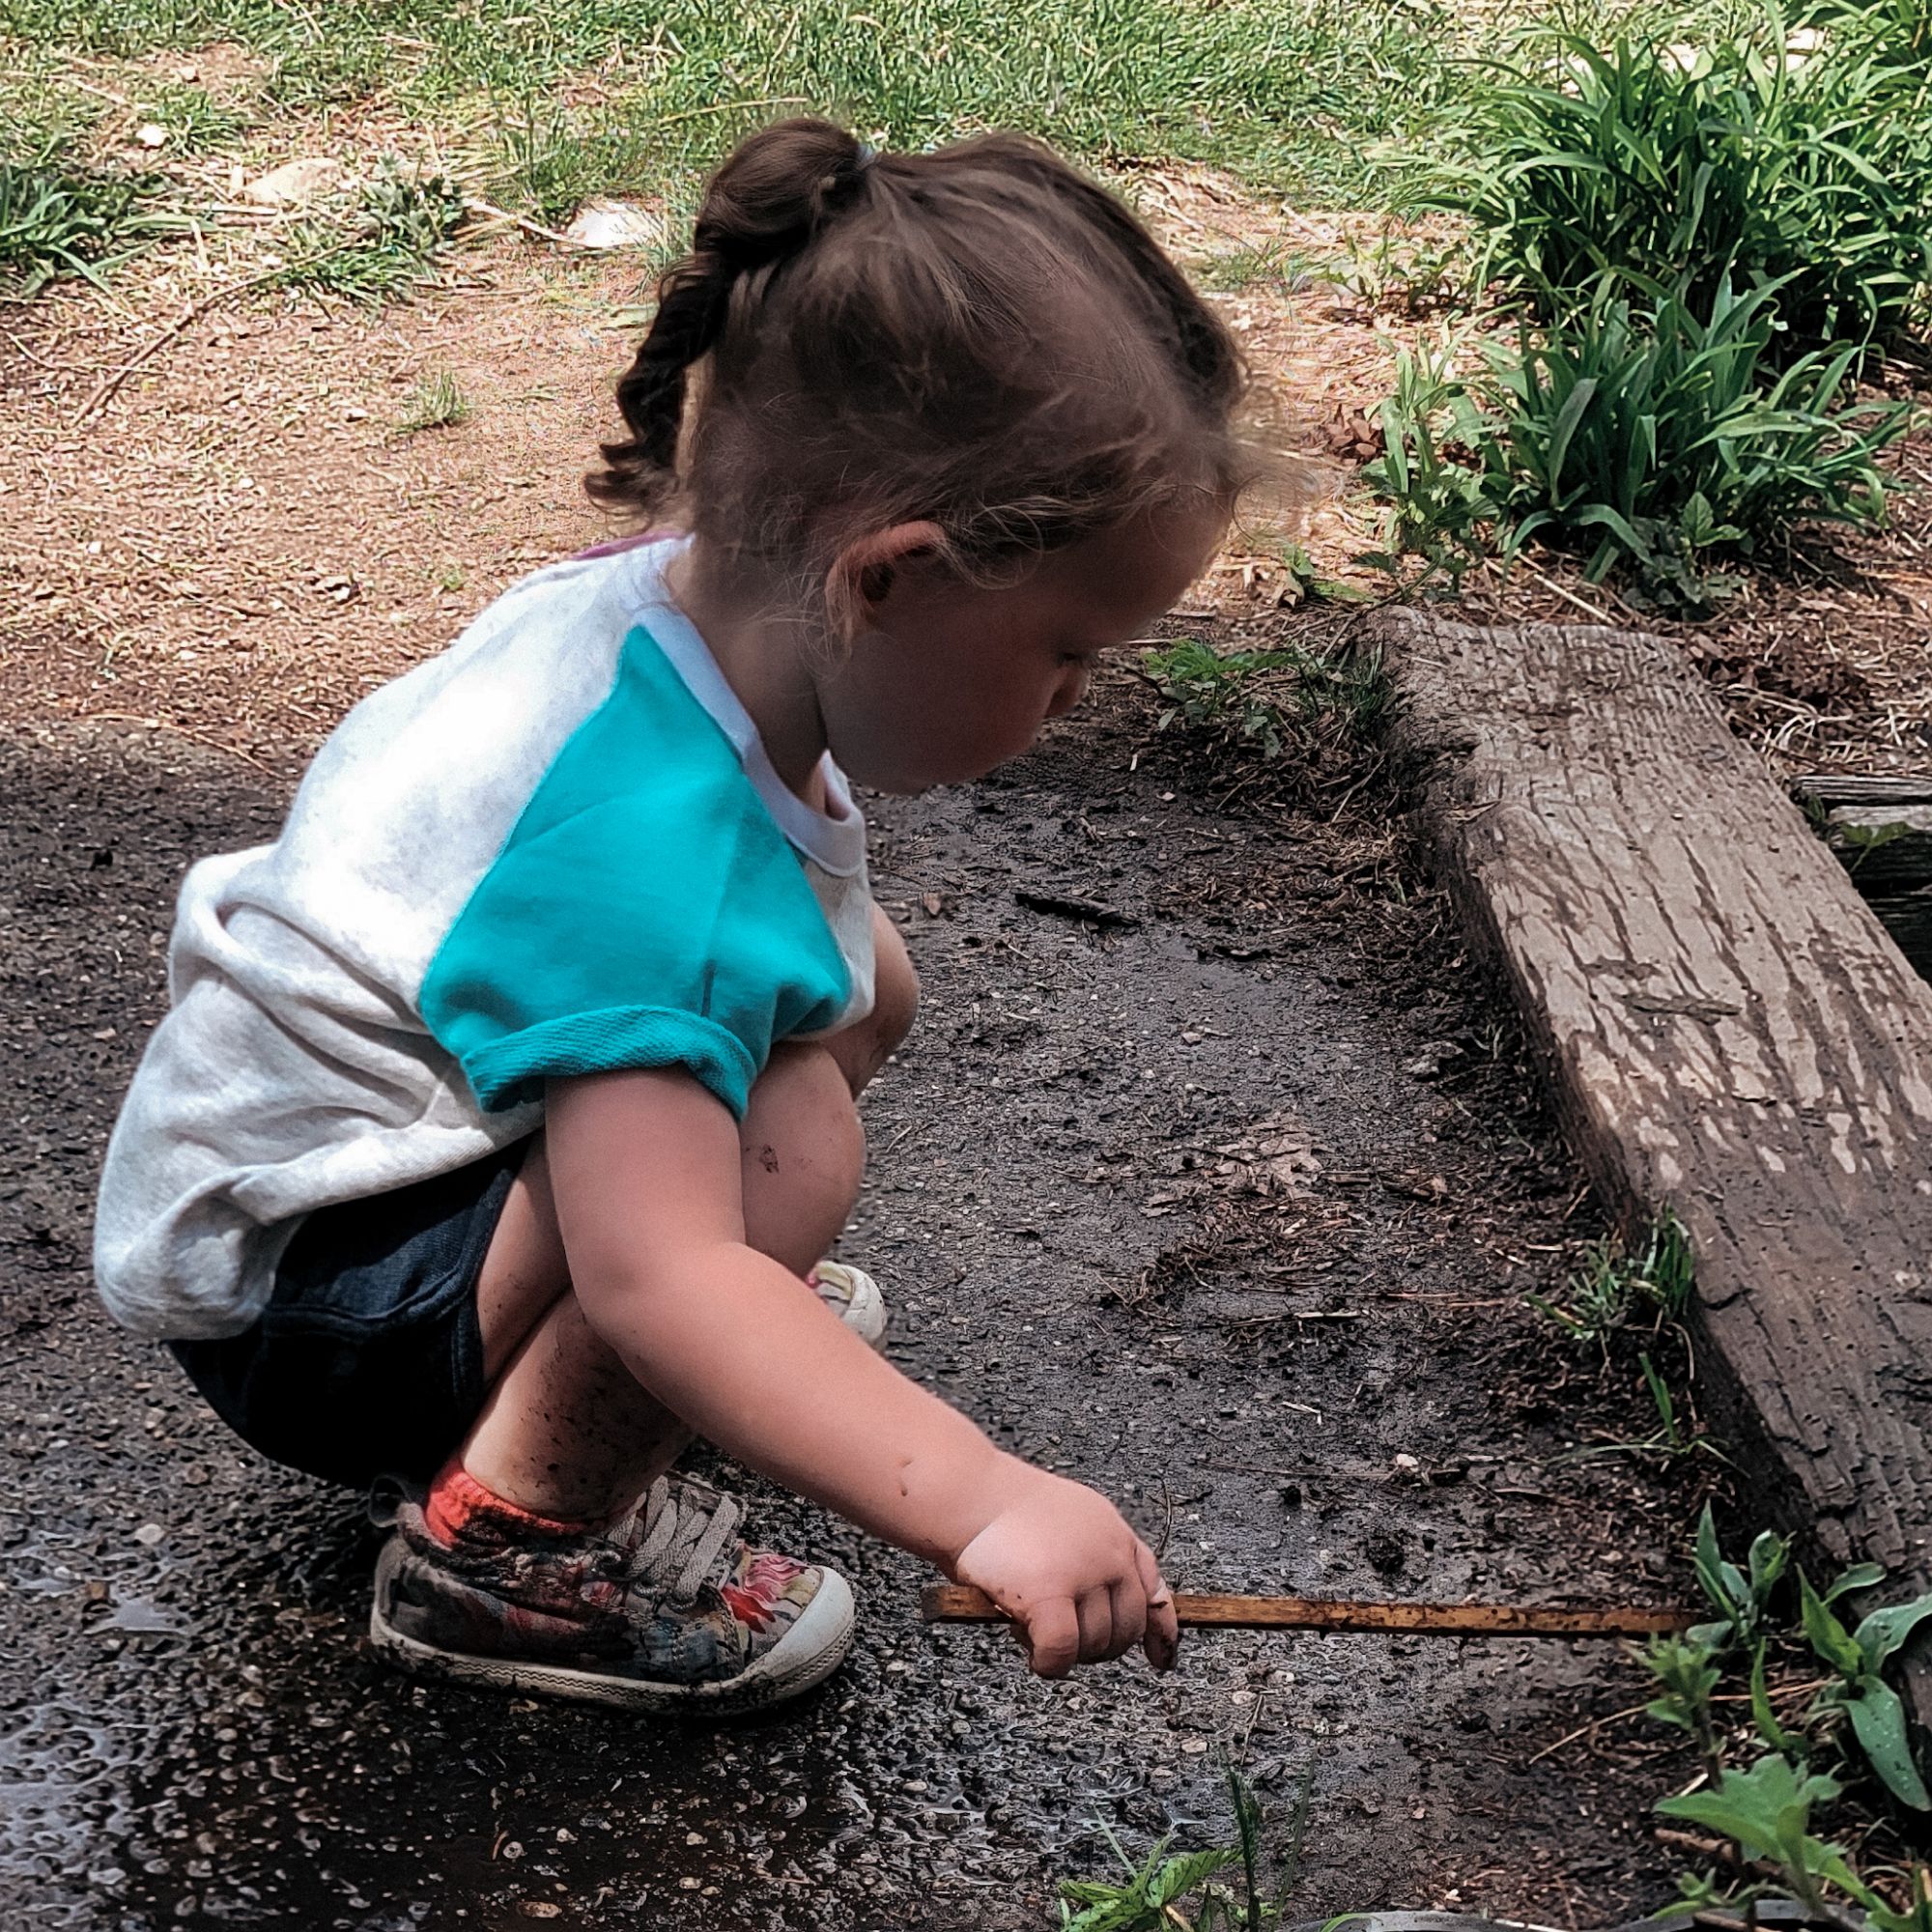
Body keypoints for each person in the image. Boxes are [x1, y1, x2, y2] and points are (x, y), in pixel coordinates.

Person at [93, 117, 1256, 1714]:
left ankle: (587, 1381)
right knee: (780, 1146)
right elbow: (663, 1273)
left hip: (314, 1197)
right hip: (312, 1310)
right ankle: (509, 1549)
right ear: (891, 577)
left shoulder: (692, 604)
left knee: (852, 991)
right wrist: (982, 1497)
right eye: (1068, 650)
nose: (1075, 701)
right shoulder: (660, 850)